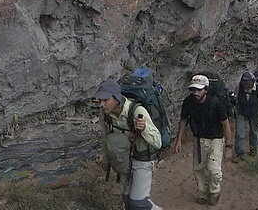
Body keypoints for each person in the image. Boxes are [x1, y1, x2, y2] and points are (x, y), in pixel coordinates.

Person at [94, 79, 163, 210]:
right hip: (124, 160)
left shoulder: (136, 111)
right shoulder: (105, 114)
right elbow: (105, 138)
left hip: (142, 159)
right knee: (127, 201)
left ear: (117, 98)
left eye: (106, 100)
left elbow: (157, 142)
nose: (101, 104)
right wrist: (106, 158)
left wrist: (143, 130)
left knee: (138, 203)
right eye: (100, 100)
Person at [174, 74, 233, 206]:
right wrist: (179, 140)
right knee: (198, 167)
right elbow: (183, 120)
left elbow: (226, 124)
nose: (195, 92)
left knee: (213, 169)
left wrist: (228, 147)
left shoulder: (216, 103)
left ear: (206, 90)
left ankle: (214, 192)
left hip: (216, 139)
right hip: (199, 138)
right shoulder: (188, 102)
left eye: (199, 90)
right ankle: (202, 192)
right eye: (193, 89)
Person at [232, 71, 258, 162]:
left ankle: (253, 150)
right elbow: (236, 100)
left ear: (252, 82)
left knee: (254, 132)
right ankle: (240, 153)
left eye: (247, 82)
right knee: (239, 133)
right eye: (243, 82)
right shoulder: (238, 88)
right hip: (242, 112)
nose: (245, 84)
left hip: (254, 113)